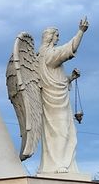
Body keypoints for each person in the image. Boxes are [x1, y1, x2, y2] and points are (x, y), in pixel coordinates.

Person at [38, 18, 89, 174]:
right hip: (54, 103)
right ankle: (59, 164)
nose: (58, 38)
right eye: (57, 36)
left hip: (59, 99)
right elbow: (68, 50)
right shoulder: (48, 55)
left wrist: (71, 78)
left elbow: (56, 80)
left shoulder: (41, 56)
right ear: (50, 37)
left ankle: (64, 164)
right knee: (61, 132)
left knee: (67, 132)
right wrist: (81, 32)